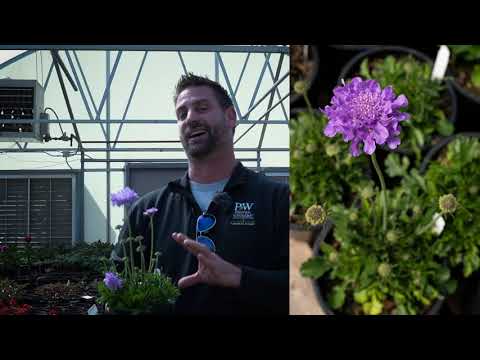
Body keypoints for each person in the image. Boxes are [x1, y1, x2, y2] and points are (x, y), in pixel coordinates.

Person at [112, 73, 289, 315]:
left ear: (230, 117)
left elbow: (304, 285)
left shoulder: (277, 199)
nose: (190, 118)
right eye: (181, 114)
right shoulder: (149, 209)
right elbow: (116, 291)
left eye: (202, 108)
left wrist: (240, 277)